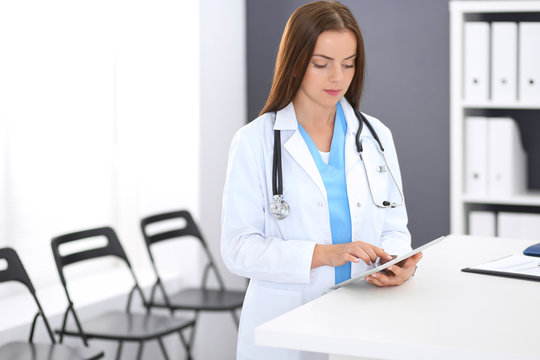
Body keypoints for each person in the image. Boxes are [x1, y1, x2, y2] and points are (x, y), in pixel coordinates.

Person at [221, 1, 422, 359]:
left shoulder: (376, 137)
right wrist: (322, 255)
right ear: (296, 62)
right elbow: (238, 249)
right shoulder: (256, 142)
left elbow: (394, 226)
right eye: (321, 64)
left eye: (348, 64)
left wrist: (396, 263)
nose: (337, 78)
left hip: (363, 318)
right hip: (286, 322)